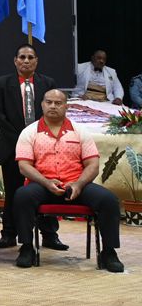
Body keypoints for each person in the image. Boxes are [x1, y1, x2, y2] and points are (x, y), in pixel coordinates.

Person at [12, 89, 125, 273]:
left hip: (76, 185)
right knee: (22, 196)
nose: (53, 106)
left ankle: (109, 252)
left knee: (108, 200)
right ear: (42, 105)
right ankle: (26, 248)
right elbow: (24, 166)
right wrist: (46, 182)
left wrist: (79, 184)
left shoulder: (80, 131)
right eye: (49, 102)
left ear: (66, 106)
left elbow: (93, 165)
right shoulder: (29, 132)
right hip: (42, 185)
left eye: (58, 103)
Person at [0, 43, 62, 250]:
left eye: (30, 57)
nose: (26, 61)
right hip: (12, 148)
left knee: (47, 190)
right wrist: (24, 142)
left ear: (36, 61)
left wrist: (37, 143)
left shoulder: (48, 83)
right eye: (22, 57)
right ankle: (9, 234)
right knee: (13, 193)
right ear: (15, 60)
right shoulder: (1, 84)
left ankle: (49, 235)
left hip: (44, 150)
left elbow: (53, 115)